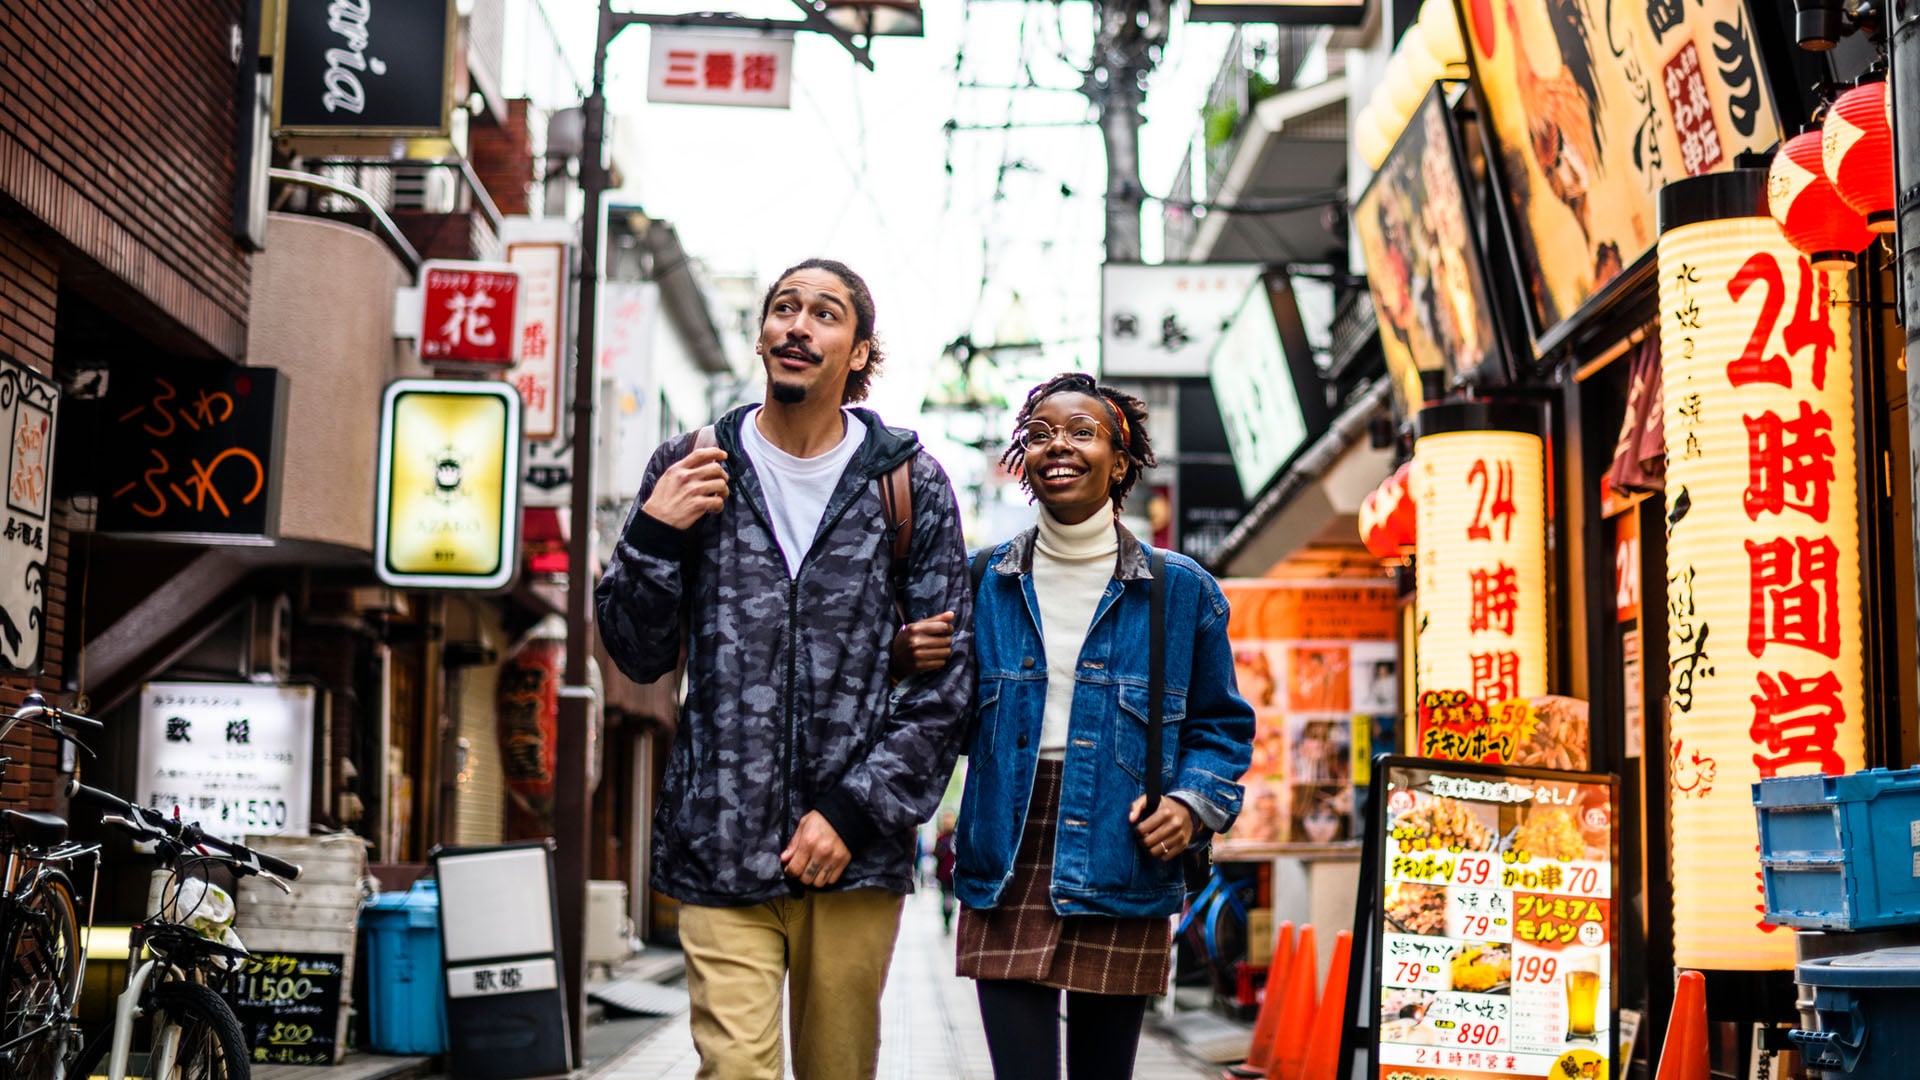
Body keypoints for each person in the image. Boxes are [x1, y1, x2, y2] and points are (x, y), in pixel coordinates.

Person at [595, 258, 975, 1080]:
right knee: (735, 1070)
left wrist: (851, 812)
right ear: (763, 333)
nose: (798, 325)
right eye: (784, 308)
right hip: (720, 842)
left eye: (825, 313)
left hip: (856, 858)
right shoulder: (694, 463)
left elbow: (945, 689)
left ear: (860, 352)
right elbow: (637, 653)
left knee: (838, 1069)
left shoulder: (908, 483)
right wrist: (652, 535)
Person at [906, 373, 1254, 1079]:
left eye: (1080, 432)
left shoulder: (1181, 590)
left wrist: (1192, 804)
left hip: (1121, 851)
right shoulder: (980, 582)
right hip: (1007, 856)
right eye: (1039, 434)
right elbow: (937, 718)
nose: (1057, 446)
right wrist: (905, 659)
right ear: (1022, 458)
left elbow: (1221, 725)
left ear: (1120, 462)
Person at [933, 811, 958, 933]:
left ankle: (949, 915)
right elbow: (936, 854)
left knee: (950, 898)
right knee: (946, 897)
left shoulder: (956, 837)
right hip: (944, 874)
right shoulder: (941, 838)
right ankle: (946, 917)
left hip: (953, 874)